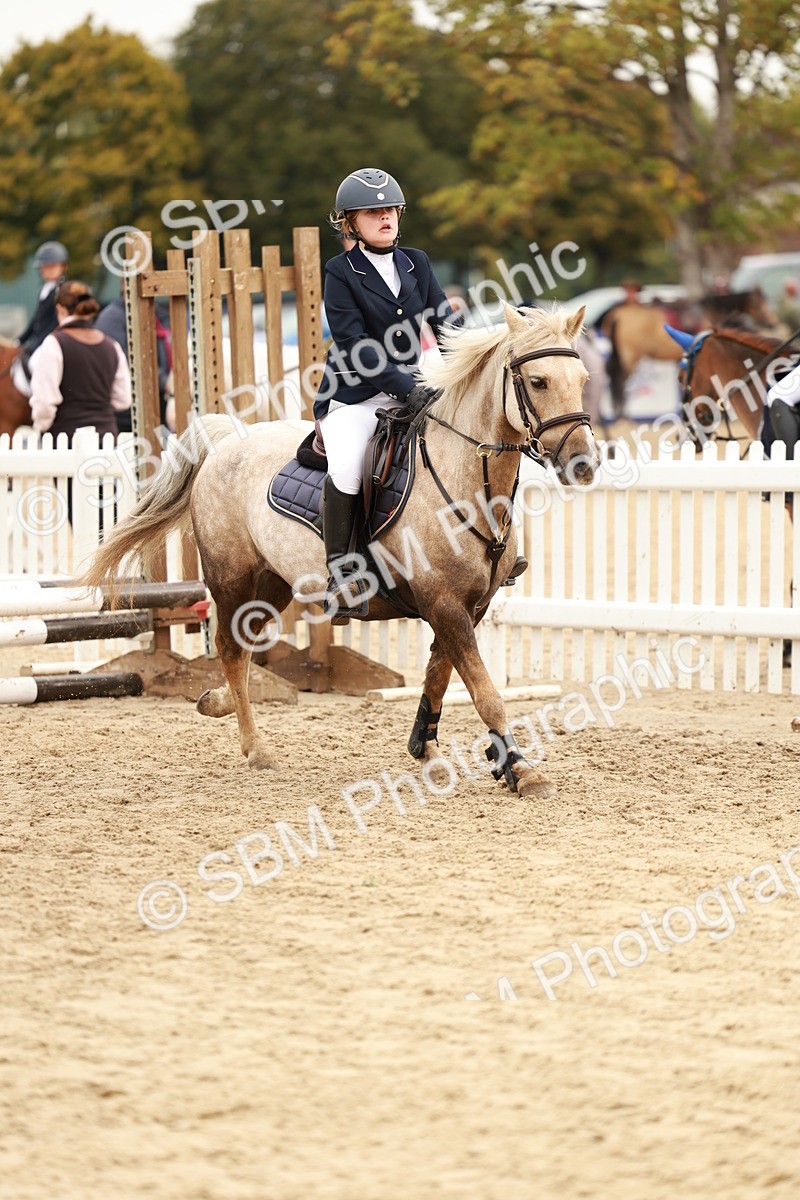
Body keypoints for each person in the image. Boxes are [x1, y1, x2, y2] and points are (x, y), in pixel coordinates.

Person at [313, 167, 455, 620]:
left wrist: (469, 365)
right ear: (351, 222)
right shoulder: (341, 271)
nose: (386, 217)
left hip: (412, 387)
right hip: (354, 394)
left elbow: (445, 323)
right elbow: (354, 345)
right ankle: (341, 574)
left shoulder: (418, 262)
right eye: (374, 212)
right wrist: (407, 388)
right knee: (350, 467)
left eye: (391, 209)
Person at [29, 280, 131, 443]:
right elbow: (123, 399)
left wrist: (42, 427)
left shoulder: (54, 343)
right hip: (106, 440)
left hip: (65, 441)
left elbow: (44, 400)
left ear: (60, 309)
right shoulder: (112, 346)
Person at [95, 288, 173, 431]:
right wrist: (164, 380)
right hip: (128, 413)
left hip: (159, 403)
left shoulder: (158, 314)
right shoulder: (111, 319)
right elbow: (128, 362)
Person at [11, 240, 69, 395]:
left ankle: (44, 397)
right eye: (45, 267)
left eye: (52, 266)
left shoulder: (61, 291)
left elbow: (54, 323)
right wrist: (20, 340)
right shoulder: (45, 289)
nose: (48, 270)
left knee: (35, 363)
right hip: (38, 340)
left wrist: (36, 343)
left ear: (63, 267)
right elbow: (35, 321)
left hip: (51, 339)